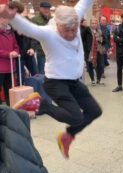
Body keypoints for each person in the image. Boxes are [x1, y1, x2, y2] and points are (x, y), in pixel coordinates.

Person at [1, 0, 103, 159]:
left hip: (74, 81)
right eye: (66, 30)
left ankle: (68, 136)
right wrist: (10, 16)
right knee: (75, 116)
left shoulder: (75, 15)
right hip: (56, 83)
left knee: (95, 111)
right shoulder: (48, 33)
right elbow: (27, 28)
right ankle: (42, 105)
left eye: (73, 30)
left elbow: (85, 1)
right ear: (58, 25)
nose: (70, 34)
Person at [0, 12, 19, 105]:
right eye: (4, 18)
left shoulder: (11, 33)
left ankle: (10, 110)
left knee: (10, 90)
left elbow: (16, 46)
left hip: (10, 67)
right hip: (1, 67)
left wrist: (16, 51)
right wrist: (8, 54)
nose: (6, 20)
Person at [31, 1, 52, 75]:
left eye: (48, 8)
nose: (47, 10)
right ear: (40, 9)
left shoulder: (52, 19)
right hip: (41, 51)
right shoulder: (35, 20)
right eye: (45, 8)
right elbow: (34, 36)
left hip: (52, 51)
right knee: (42, 74)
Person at [87, 18, 106, 85]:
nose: (94, 24)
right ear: (90, 24)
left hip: (99, 50)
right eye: (92, 23)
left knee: (100, 65)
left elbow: (104, 40)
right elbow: (83, 40)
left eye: (95, 23)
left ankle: (98, 79)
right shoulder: (87, 31)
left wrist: (100, 40)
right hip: (90, 51)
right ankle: (92, 80)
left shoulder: (100, 31)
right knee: (90, 65)